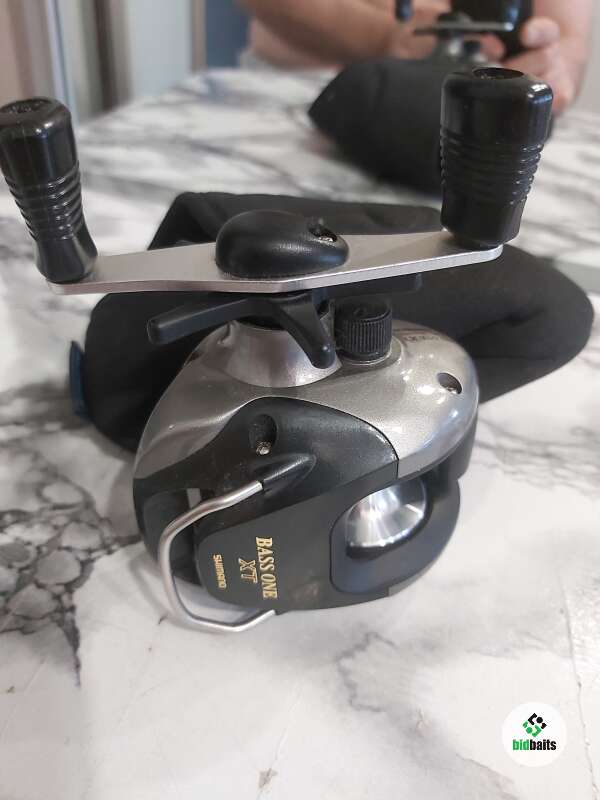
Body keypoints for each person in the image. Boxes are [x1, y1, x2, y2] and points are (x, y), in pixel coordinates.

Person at [239, 0, 592, 112]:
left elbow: (569, 38)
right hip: (296, 94)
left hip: (484, 121)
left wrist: (554, 66)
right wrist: (383, 38)